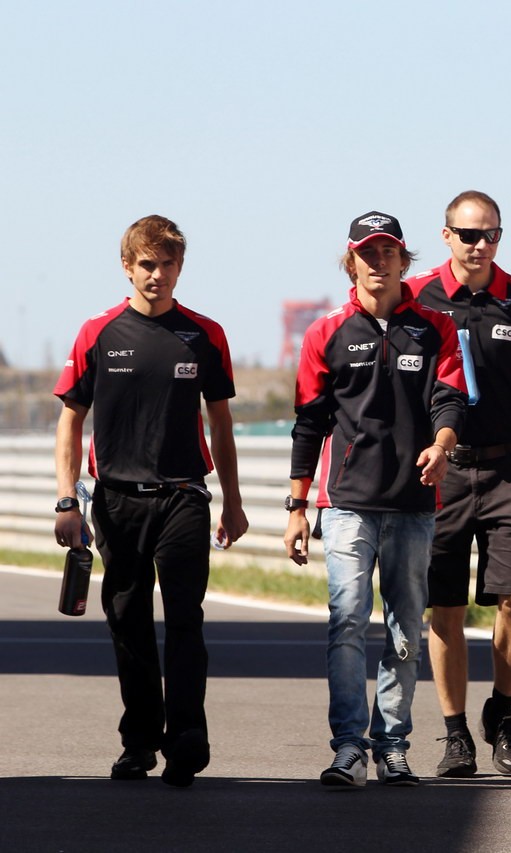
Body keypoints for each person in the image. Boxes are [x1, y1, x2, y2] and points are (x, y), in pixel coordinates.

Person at [53, 215, 249, 787]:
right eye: (147, 264)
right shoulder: (97, 332)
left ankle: (187, 736)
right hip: (115, 500)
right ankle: (139, 741)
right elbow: (70, 421)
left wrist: (233, 502)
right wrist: (67, 500)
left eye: (167, 265)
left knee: (185, 618)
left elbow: (222, 425)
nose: (157, 275)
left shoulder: (205, 334)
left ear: (180, 268)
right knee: (128, 619)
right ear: (127, 267)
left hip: (184, 495)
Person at [284, 211, 467, 788]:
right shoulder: (326, 331)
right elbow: (309, 422)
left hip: (415, 506)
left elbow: (451, 400)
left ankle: (393, 746)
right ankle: (347, 748)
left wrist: (442, 445)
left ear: (403, 260)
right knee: (346, 622)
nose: (378, 261)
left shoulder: (435, 325)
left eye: (388, 251)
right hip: (345, 505)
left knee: (406, 628)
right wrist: (296, 508)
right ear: (352, 261)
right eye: (368, 252)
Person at [407, 190, 511, 777]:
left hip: (507, 468)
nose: (480, 246)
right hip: (440, 474)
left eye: (491, 235)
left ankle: (500, 711)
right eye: (469, 235)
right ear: (446, 234)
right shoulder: (416, 296)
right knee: (444, 608)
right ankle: (455, 734)